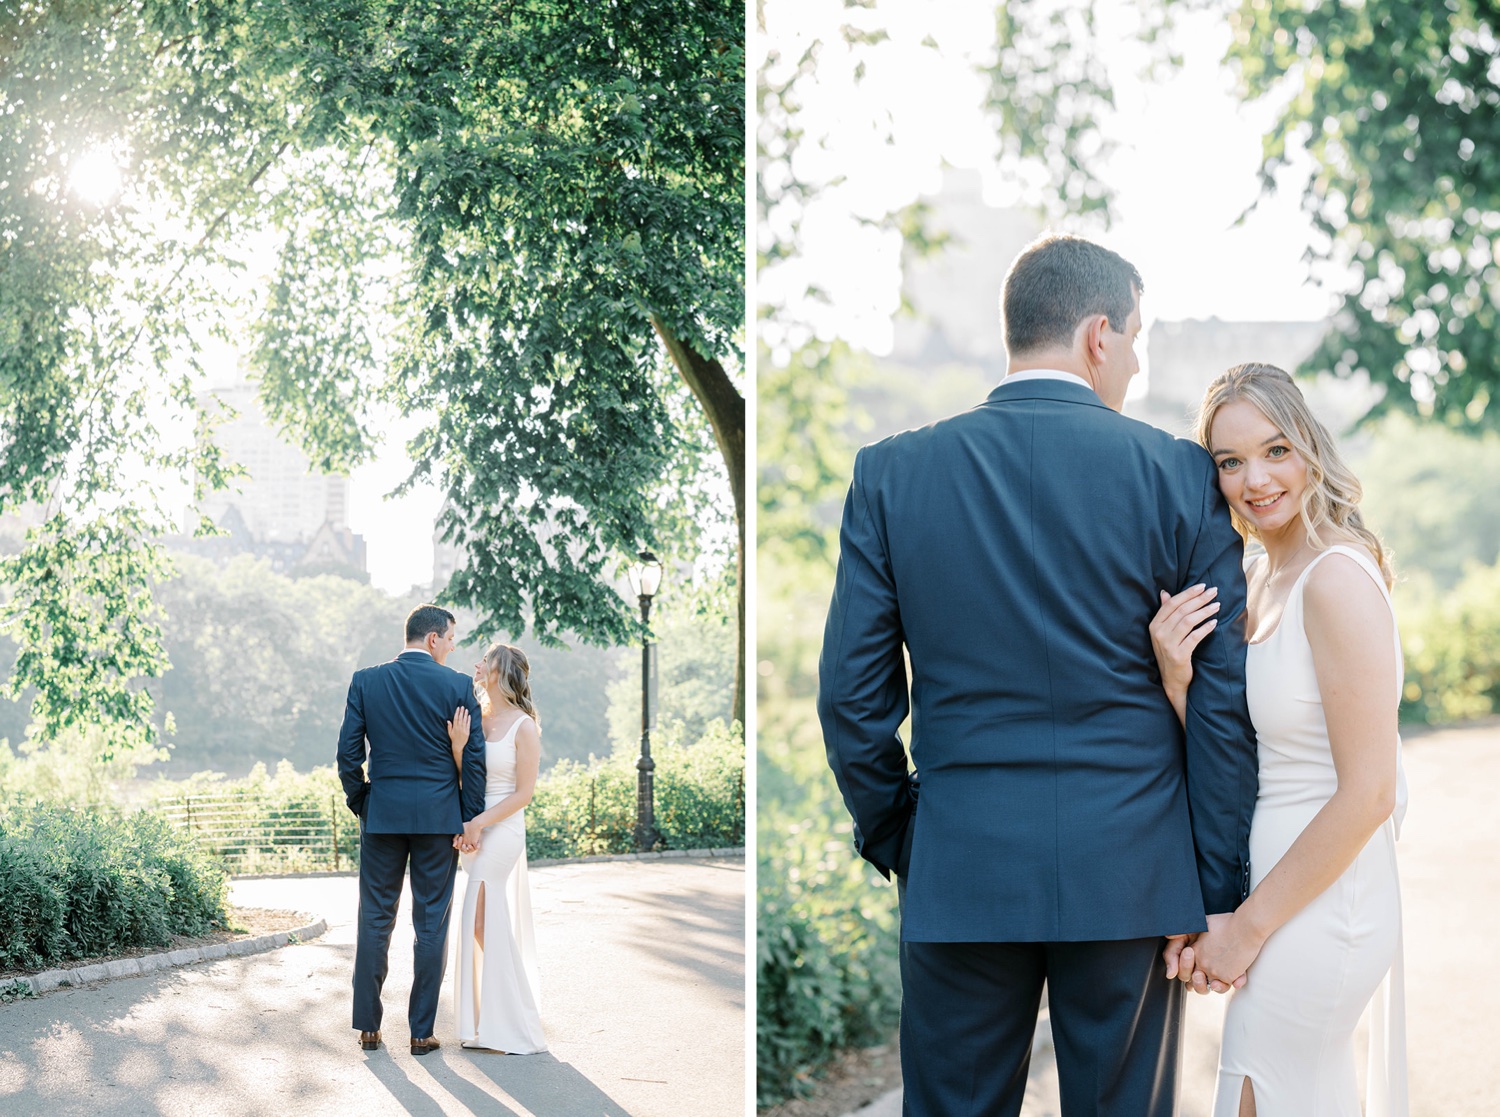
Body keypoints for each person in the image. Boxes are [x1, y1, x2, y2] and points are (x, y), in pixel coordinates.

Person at [817, 233, 1258, 1116]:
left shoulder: (891, 475)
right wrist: (1210, 884)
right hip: (1132, 871)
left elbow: (850, 700)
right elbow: (1221, 701)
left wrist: (908, 838)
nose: (1135, 362)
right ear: (1099, 334)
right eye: (1135, 339)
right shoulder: (1177, 475)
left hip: (962, 864)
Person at [1151, 363, 1407, 1116]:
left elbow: (1370, 791)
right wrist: (1177, 680)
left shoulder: (1334, 579)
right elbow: (1242, 757)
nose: (1254, 480)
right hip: (1272, 898)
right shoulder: (1260, 577)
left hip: (1328, 900)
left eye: (1275, 451)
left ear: (1309, 448)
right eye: (1230, 462)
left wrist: (1246, 930)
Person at [337, 603, 487, 1056]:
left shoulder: (366, 680)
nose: (454, 647)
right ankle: (421, 1032)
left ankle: (368, 1027)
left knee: (374, 918)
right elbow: (474, 762)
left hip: (383, 818)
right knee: (431, 923)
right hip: (438, 821)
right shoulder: (458, 685)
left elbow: (348, 755)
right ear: (433, 638)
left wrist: (365, 802)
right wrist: (468, 817)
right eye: (452, 638)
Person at [446, 642, 547, 1054]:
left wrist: (479, 824)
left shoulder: (524, 726)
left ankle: (510, 1023)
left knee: (479, 922)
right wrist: (457, 745)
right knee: (484, 923)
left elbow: (523, 794)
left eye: (485, 661)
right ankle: (512, 1014)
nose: (477, 665)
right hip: (473, 825)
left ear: (501, 671)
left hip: (501, 828)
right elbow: (466, 775)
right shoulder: (476, 717)